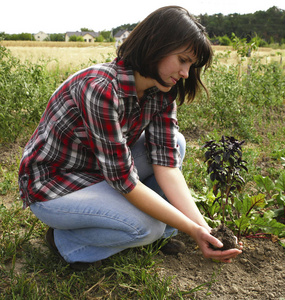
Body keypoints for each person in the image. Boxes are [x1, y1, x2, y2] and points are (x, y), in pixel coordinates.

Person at [18, 6, 243, 270]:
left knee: (176, 144)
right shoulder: (101, 88)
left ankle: (161, 232)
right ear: (157, 46)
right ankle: (67, 242)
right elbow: (125, 183)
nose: (185, 73)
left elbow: (167, 166)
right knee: (147, 228)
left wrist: (205, 229)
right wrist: (193, 231)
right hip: (54, 186)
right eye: (182, 60)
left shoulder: (162, 90)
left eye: (191, 65)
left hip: (99, 170)